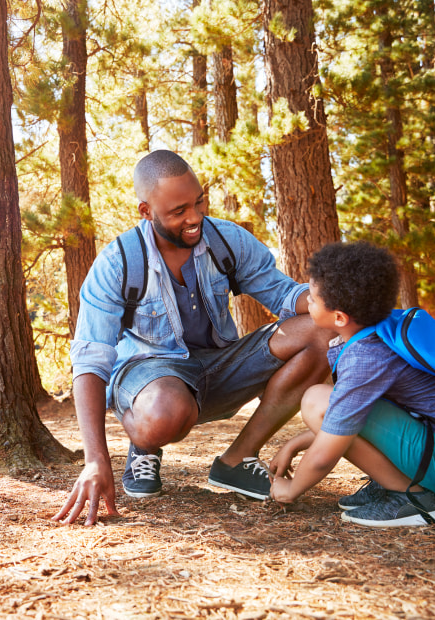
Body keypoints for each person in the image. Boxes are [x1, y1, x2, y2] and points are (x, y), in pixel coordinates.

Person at [51, 149, 333, 526]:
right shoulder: (118, 262)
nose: (195, 217)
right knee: (165, 412)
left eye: (198, 201)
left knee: (322, 328)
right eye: (179, 210)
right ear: (146, 211)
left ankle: (236, 460)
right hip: (150, 376)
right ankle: (145, 444)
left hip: (219, 365)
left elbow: (283, 295)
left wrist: (328, 297)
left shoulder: (227, 240)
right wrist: (95, 460)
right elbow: (90, 361)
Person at [268, 241, 435, 527]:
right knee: (325, 403)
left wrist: (290, 490)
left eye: (312, 298)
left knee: (317, 401)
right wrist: (295, 444)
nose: (307, 303)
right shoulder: (378, 332)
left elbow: (327, 451)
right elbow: (354, 417)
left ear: (339, 317)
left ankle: (411, 498)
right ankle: (395, 481)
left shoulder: (366, 356)